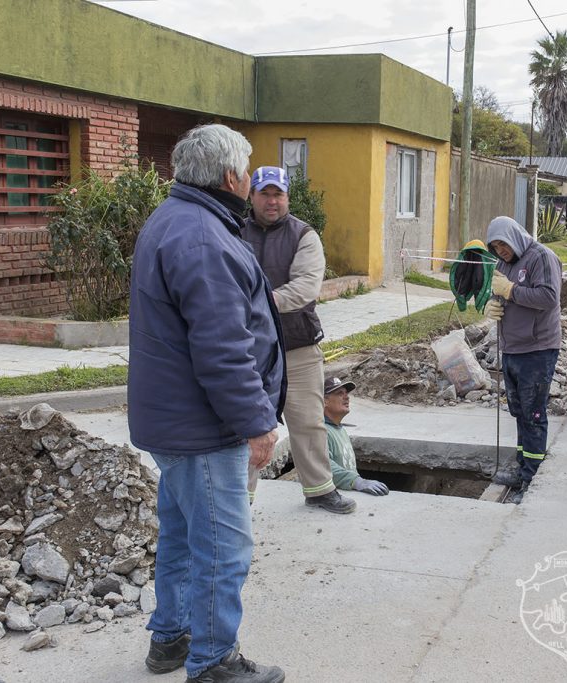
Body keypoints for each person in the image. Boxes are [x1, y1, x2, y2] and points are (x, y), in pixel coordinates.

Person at [128, 124, 286, 683]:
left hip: (174, 424)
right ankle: (214, 661)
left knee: (179, 534)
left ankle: (170, 638)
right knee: (223, 547)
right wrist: (257, 424)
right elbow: (223, 350)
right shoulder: (202, 237)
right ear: (230, 177)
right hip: (201, 429)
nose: (249, 178)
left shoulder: (177, 219)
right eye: (247, 168)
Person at [241, 167, 356, 514]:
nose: (272, 201)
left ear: (287, 197)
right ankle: (240, 499)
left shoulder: (304, 235)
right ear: (252, 196)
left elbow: (306, 286)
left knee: (307, 419)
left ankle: (320, 489)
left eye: (278, 194)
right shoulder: (235, 231)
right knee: (246, 424)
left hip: (298, 344)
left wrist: (261, 303)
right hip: (249, 348)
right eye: (265, 193)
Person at [483, 216, 563, 505]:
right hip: (512, 347)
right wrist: (495, 301)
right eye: (495, 248)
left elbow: (549, 297)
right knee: (519, 411)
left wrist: (511, 291)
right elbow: (501, 291)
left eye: (503, 245)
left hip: (537, 349)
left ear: (514, 237)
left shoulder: (542, 257)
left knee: (533, 413)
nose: (501, 252)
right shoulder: (504, 264)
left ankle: (532, 474)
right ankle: (522, 466)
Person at [323, 376, 390, 496]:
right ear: (324, 401)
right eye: (339, 393)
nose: (347, 397)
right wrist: (357, 482)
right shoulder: (321, 431)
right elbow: (323, 465)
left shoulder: (339, 429)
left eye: (346, 393)